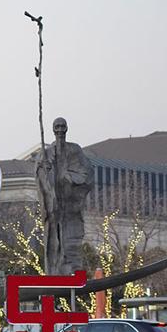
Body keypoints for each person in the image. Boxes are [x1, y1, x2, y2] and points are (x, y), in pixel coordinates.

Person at [35, 117, 93, 275]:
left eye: (62, 126)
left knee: (71, 243)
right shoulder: (46, 153)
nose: (60, 130)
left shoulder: (75, 150)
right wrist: (43, 169)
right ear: (53, 130)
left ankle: (71, 270)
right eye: (57, 127)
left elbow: (86, 173)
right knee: (54, 240)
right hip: (54, 206)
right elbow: (40, 177)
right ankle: (56, 271)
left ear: (67, 128)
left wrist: (69, 178)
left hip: (71, 206)